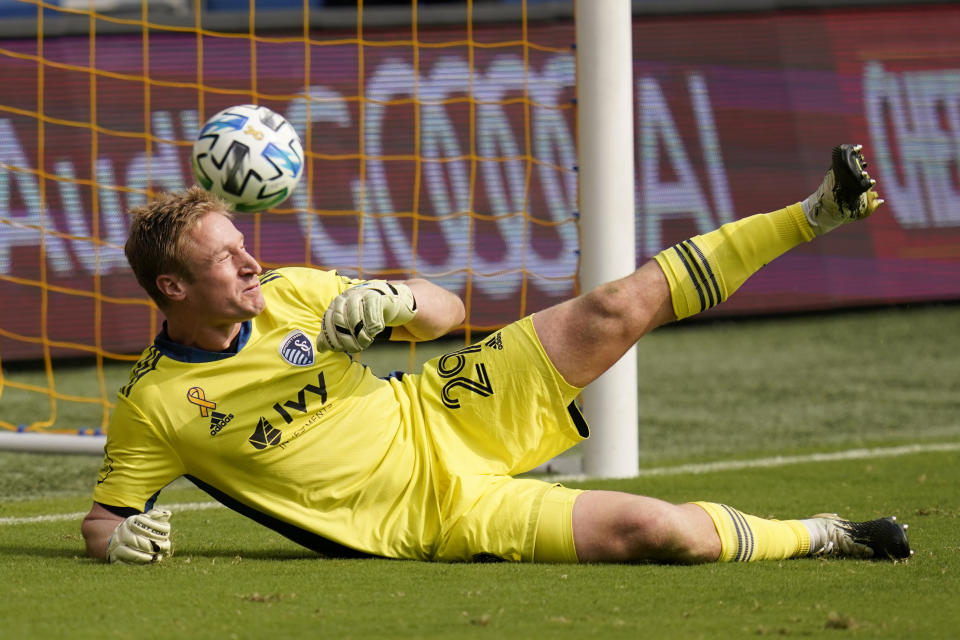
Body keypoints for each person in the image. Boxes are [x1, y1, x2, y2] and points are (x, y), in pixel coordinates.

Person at [82, 144, 912, 565]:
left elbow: (450, 310)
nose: (250, 262)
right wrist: (113, 543)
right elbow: (103, 518)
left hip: (444, 403)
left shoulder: (297, 290)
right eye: (225, 259)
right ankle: (828, 534)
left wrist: (401, 300)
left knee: (614, 306)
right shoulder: (154, 406)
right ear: (173, 290)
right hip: (438, 517)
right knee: (659, 534)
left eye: (243, 243)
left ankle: (818, 211)